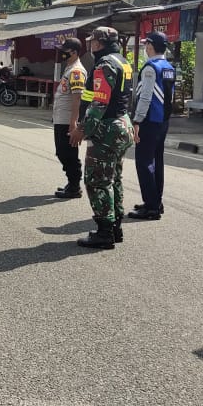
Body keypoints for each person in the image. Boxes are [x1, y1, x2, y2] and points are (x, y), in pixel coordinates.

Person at [70, 27, 134, 249]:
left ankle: (104, 232)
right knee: (113, 177)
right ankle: (115, 227)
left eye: (92, 42)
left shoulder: (104, 65)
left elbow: (100, 102)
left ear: (98, 43)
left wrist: (82, 129)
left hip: (107, 128)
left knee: (97, 180)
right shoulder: (123, 62)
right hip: (122, 124)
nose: (89, 45)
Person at [128, 31, 175, 220]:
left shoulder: (150, 68)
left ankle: (151, 207)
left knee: (144, 162)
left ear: (150, 46)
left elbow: (145, 97)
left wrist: (137, 120)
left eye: (146, 44)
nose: (145, 48)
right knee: (157, 161)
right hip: (163, 120)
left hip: (149, 120)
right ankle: (156, 201)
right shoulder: (169, 66)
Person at [53, 38, 89, 199]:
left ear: (74, 52)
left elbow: (77, 98)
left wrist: (73, 122)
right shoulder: (69, 68)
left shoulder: (76, 72)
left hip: (67, 119)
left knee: (68, 153)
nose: (62, 54)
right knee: (62, 152)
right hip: (61, 118)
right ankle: (71, 183)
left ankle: (75, 187)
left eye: (65, 51)